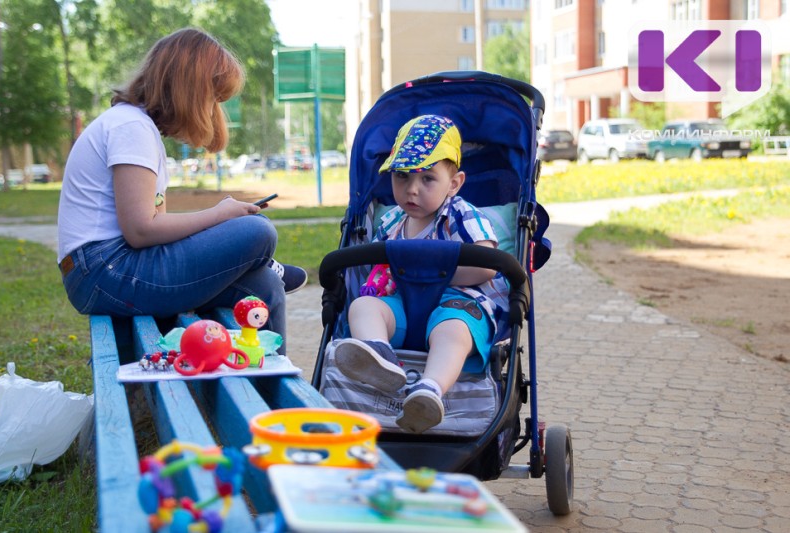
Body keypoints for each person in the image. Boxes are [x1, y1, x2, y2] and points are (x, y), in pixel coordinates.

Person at [56, 28, 306, 354]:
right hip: (105, 271)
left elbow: (152, 229)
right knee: (257, 230)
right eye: (214, 98)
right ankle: (264, 258)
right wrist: (219, 215)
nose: (216, 110)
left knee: (263, 286)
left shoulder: (137, 127)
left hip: (113, 268)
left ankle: (272, 392)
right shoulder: (130, 127)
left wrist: (218, 223)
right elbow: (141, 230)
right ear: (190, 89)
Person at [333, 114, 508, 433]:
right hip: (402, 304)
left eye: (427, 179)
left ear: (454, 183)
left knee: (452, 330)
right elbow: (375, 268)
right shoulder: (391, 222)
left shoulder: (460, 214)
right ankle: (378, 356)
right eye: (402, 177)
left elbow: (486, 263)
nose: (412, 190)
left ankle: (429, 390)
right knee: (362, 306)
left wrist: (430, 273)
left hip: (457, 303)